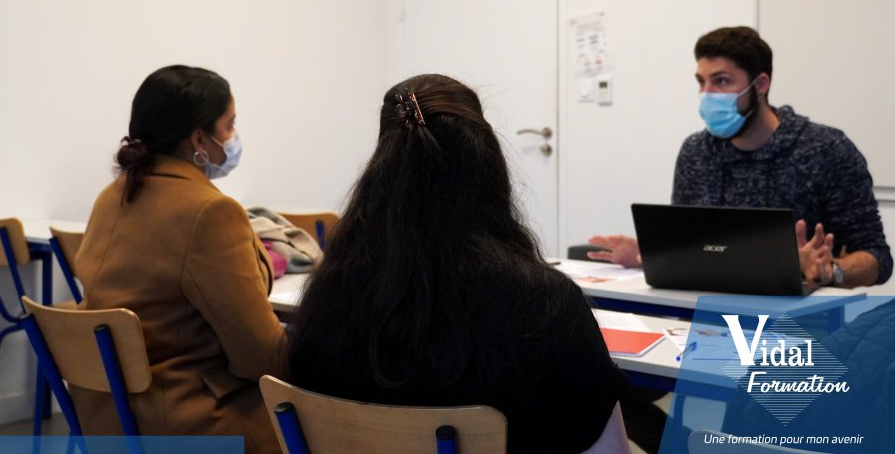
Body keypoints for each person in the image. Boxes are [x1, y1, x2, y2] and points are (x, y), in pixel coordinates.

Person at [286, 74, 630, 454]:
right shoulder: (544, 302)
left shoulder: (329, 294)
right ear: (487, 163)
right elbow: (610, 449)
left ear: (381, 167)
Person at [73, 65, 285, 454]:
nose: (234, 137)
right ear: (199, 139)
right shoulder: (210, 212)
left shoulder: (114, 195)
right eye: (230, 125)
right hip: (193, 424)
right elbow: (261, 357)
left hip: (109, 418)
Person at [589, 26, 892, 289]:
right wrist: (653, 255)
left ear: (760, 85)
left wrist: (831, 271)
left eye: (721, 81)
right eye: (701, 81)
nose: (706, 94)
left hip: (800, 324)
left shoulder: (826, 149)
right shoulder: (695, 152)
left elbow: (878, 258)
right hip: (706, 315)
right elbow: (696, 249)